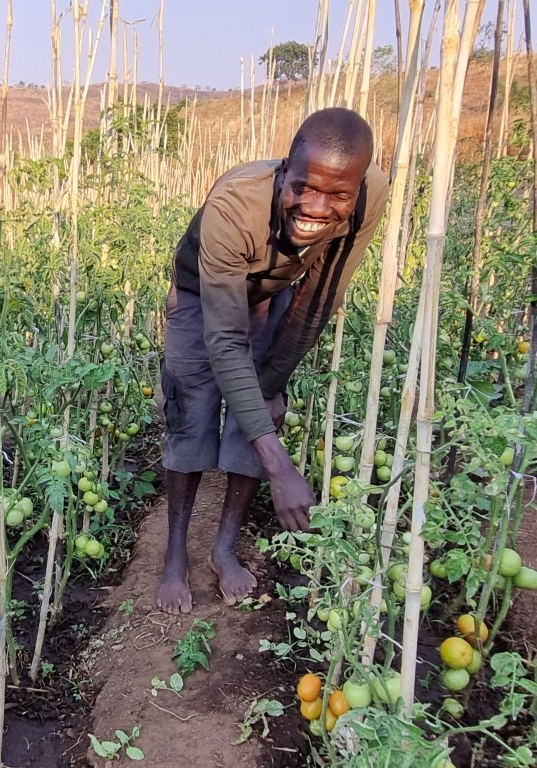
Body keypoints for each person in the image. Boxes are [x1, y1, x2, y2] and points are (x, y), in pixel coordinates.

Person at [157, 108, 388, 614]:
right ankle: (175, 554)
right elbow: (222, 341)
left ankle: (223, 547)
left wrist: (273, 379)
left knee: (258, 403)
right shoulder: (235, 205)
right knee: (192, 411)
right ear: (285, 169)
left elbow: (323, 296)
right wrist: (280, 468)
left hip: (274, 293)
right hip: (205, 295)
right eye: (304, 187)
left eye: (337, 196)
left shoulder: (369, 191)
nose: (317, 207)